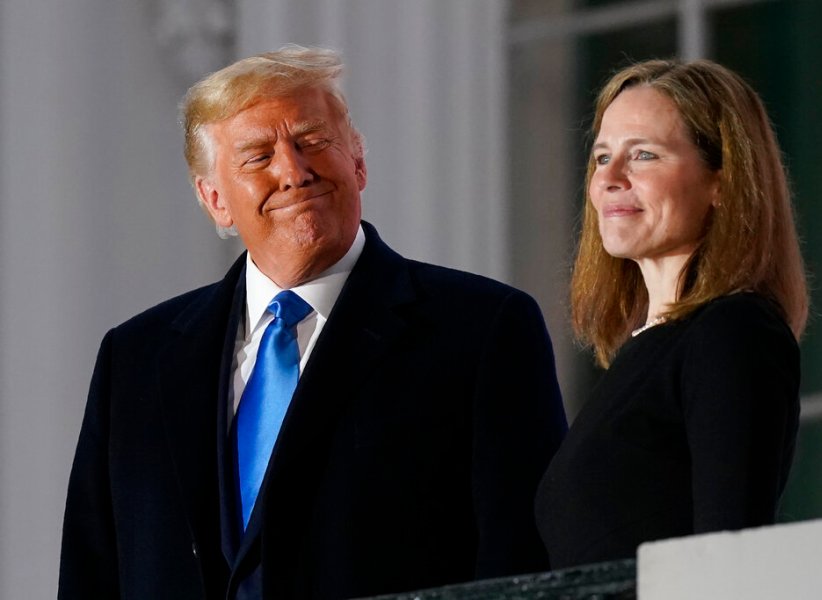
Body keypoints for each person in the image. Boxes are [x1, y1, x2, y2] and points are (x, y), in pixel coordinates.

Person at [59, 45, 567, 599]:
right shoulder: (135, 359)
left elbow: (522, 568)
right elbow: (92, 574)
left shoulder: (482, 329)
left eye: (313, 142)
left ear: (359, 161)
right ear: (215, 201)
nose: (294, 172)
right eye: (257, 157)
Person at [535, 59, 808, 567]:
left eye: (643, 155)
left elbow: (728, 558)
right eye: (600, 157)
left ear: (722, 182)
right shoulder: (646, 350)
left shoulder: (733, 333)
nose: (610, 179)